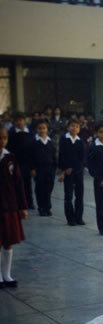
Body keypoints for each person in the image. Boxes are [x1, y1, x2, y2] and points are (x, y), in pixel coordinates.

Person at [0, 127, 28, 289]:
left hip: (9, 205)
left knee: (8, 241)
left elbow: (19, 183)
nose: (1, 141)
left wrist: (22, 206)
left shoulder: (10, 157)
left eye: (4, 138)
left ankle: (7, 274)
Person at [58, 119, 86, 226]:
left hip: (78, 171)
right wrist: (65, 169)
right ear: (68, 127)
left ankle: (79, 217)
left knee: (79, 195)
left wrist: (74, 168)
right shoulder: (64, 139)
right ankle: (70, 219)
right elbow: (62, 156)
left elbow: (82, 158)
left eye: (77, 126)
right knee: (68, 196)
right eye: (72, 126)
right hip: (68, 172)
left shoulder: (80, 141)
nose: (74, 128)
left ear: (79, 129)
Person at [8, 112, 35, 209]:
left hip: (28, 162)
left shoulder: (30, 133)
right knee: (17, 183)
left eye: (21, 120)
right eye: (17, 121)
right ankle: (19, 203)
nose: (19, 122)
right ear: (14, 122)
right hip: (17, 162)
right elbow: (9, 149)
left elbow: (33, 148)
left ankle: (29, 202)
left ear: (25, 120)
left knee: (28, 183)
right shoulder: (12, 134)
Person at [31, 120, 57, 217]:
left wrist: (55, 167)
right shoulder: (34, 142)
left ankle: (47, 207)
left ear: (47, 129)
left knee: (49, 188)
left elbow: (54, 155)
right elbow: (31, 157)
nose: (42, 130)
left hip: (50, 169)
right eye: (40, 128)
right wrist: (32, 169)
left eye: (44, 128)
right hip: (39, 169)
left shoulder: (50, 142)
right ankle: (41, 207)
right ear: (37, 129)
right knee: (40, 188)